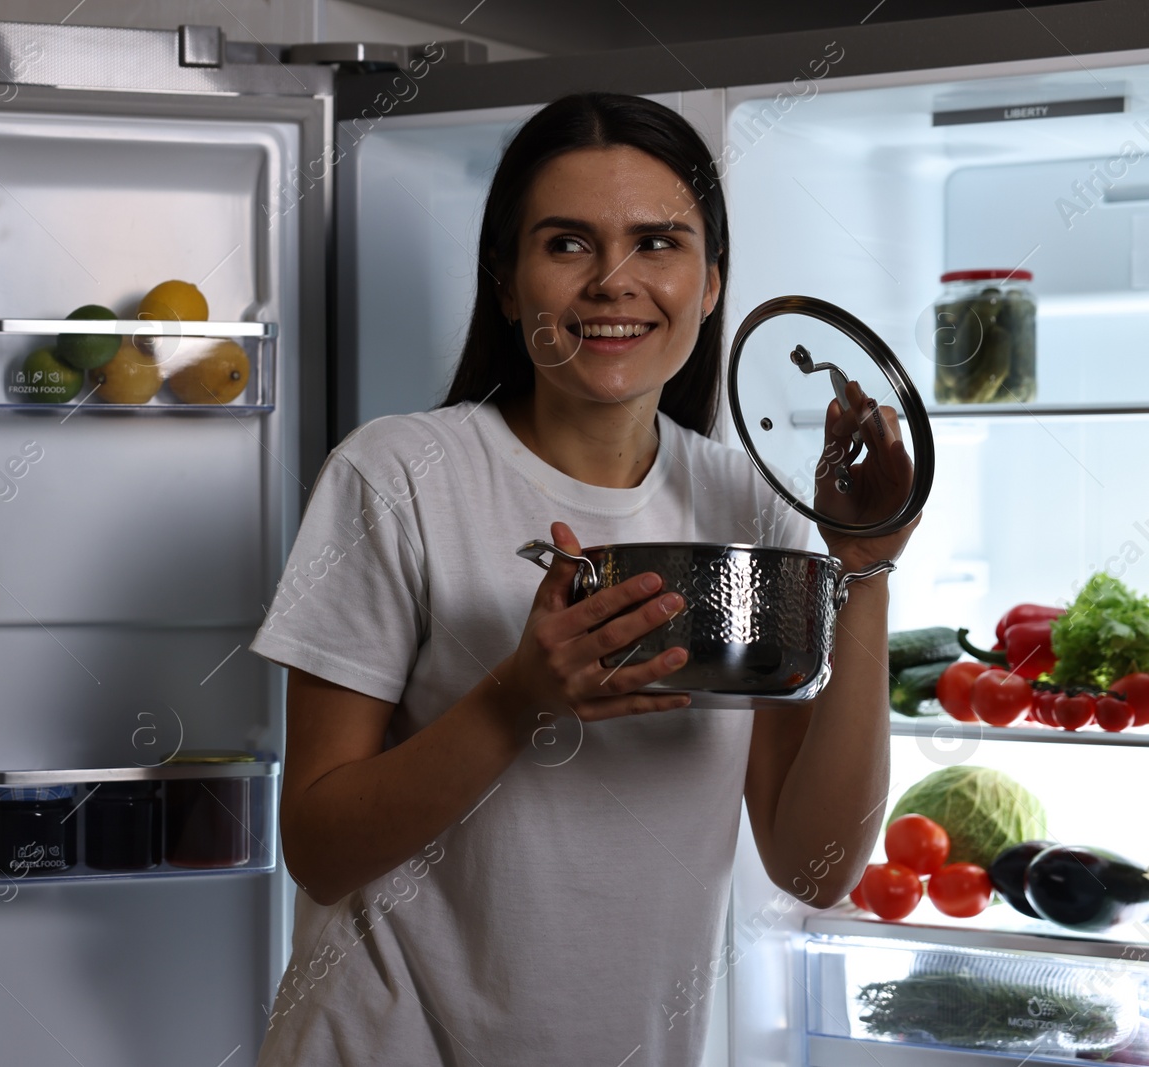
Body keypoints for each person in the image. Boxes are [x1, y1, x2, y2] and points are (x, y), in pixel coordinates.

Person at [247, 91, 915, 1067]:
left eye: (657, 243)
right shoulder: (393, 474)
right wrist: (516, 700)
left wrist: (865, 569)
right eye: (566, 244)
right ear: (509, 284)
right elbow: (317, 845)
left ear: (712, 280)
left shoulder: (747, 504)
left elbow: (814, 864)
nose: (613, 282)